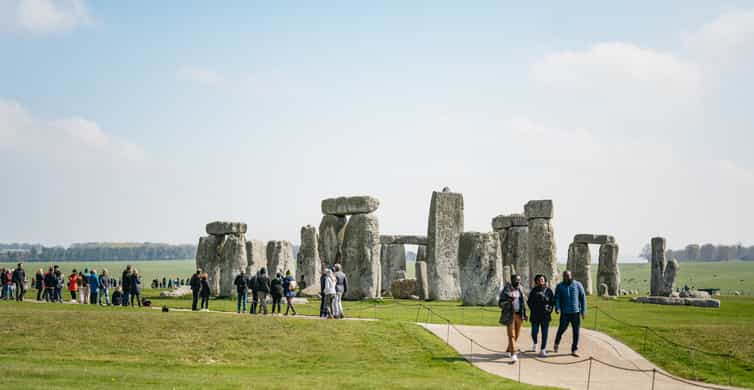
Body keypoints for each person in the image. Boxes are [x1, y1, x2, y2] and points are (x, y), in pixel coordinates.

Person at [554, 270, 587, 357]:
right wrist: (557, 308)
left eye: (567, 276)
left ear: (571, 276)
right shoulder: (559, 286)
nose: (566, 278)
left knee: (576, 331)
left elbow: (583, 297)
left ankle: (574, 349)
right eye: (564, 276)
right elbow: (557, 298)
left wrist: (583, 311)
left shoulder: (578, 285)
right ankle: (556, 342)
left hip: (575, 312)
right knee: (561, 329)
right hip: (565, 313)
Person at [499, 274, 527, 362]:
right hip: (510, 314)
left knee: (517, 335)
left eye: (519, 280)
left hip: (519, 314)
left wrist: (525, 314)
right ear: (512, 280)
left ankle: (508, 350)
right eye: (516, 280)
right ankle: (513, 354)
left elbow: (524, 302)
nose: (518, 281)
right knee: (511, 335)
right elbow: (500, 303)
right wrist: (508, 301)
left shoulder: (520, 289)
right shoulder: (506, 290)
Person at [527, 274, 555, 357]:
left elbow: (552, 302)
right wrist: (534, 308)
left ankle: (543, 350)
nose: (541, 281)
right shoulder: (533, 291)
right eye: (539, 280)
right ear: (536, 281)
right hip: (535, 315)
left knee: (544, 333)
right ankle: (535, 342)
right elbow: (529, 302)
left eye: (542, 280)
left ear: (545, 281)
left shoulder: (549, 291)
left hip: (545, 316)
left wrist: (548, 305)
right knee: (534, 332)